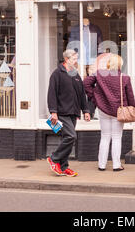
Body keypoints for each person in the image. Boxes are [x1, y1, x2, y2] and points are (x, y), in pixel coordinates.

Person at [84, 54, 135, 171]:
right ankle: (116, 165)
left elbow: (86, 84)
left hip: (103, 109)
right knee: (117, 137)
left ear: (109, 64)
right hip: (118, 110)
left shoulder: (99, 74)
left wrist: (95, 98)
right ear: (120, 65)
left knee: (105, 137)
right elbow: (130, 96)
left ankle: (101, 165)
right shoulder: (124, 77)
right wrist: (132, 107)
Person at [47, 49, 91, 177]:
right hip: (61, 112)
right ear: (67, 59)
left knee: (67, 139)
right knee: (71, 136)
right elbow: (52, 94)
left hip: (73, 112)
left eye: (77, 59)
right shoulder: (57, 74)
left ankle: (64, 166)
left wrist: (86, 110)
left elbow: (82, 94)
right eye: (74, 59)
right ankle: (54, 158)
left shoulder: (75, 75)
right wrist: (53, 112)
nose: (76, 61)